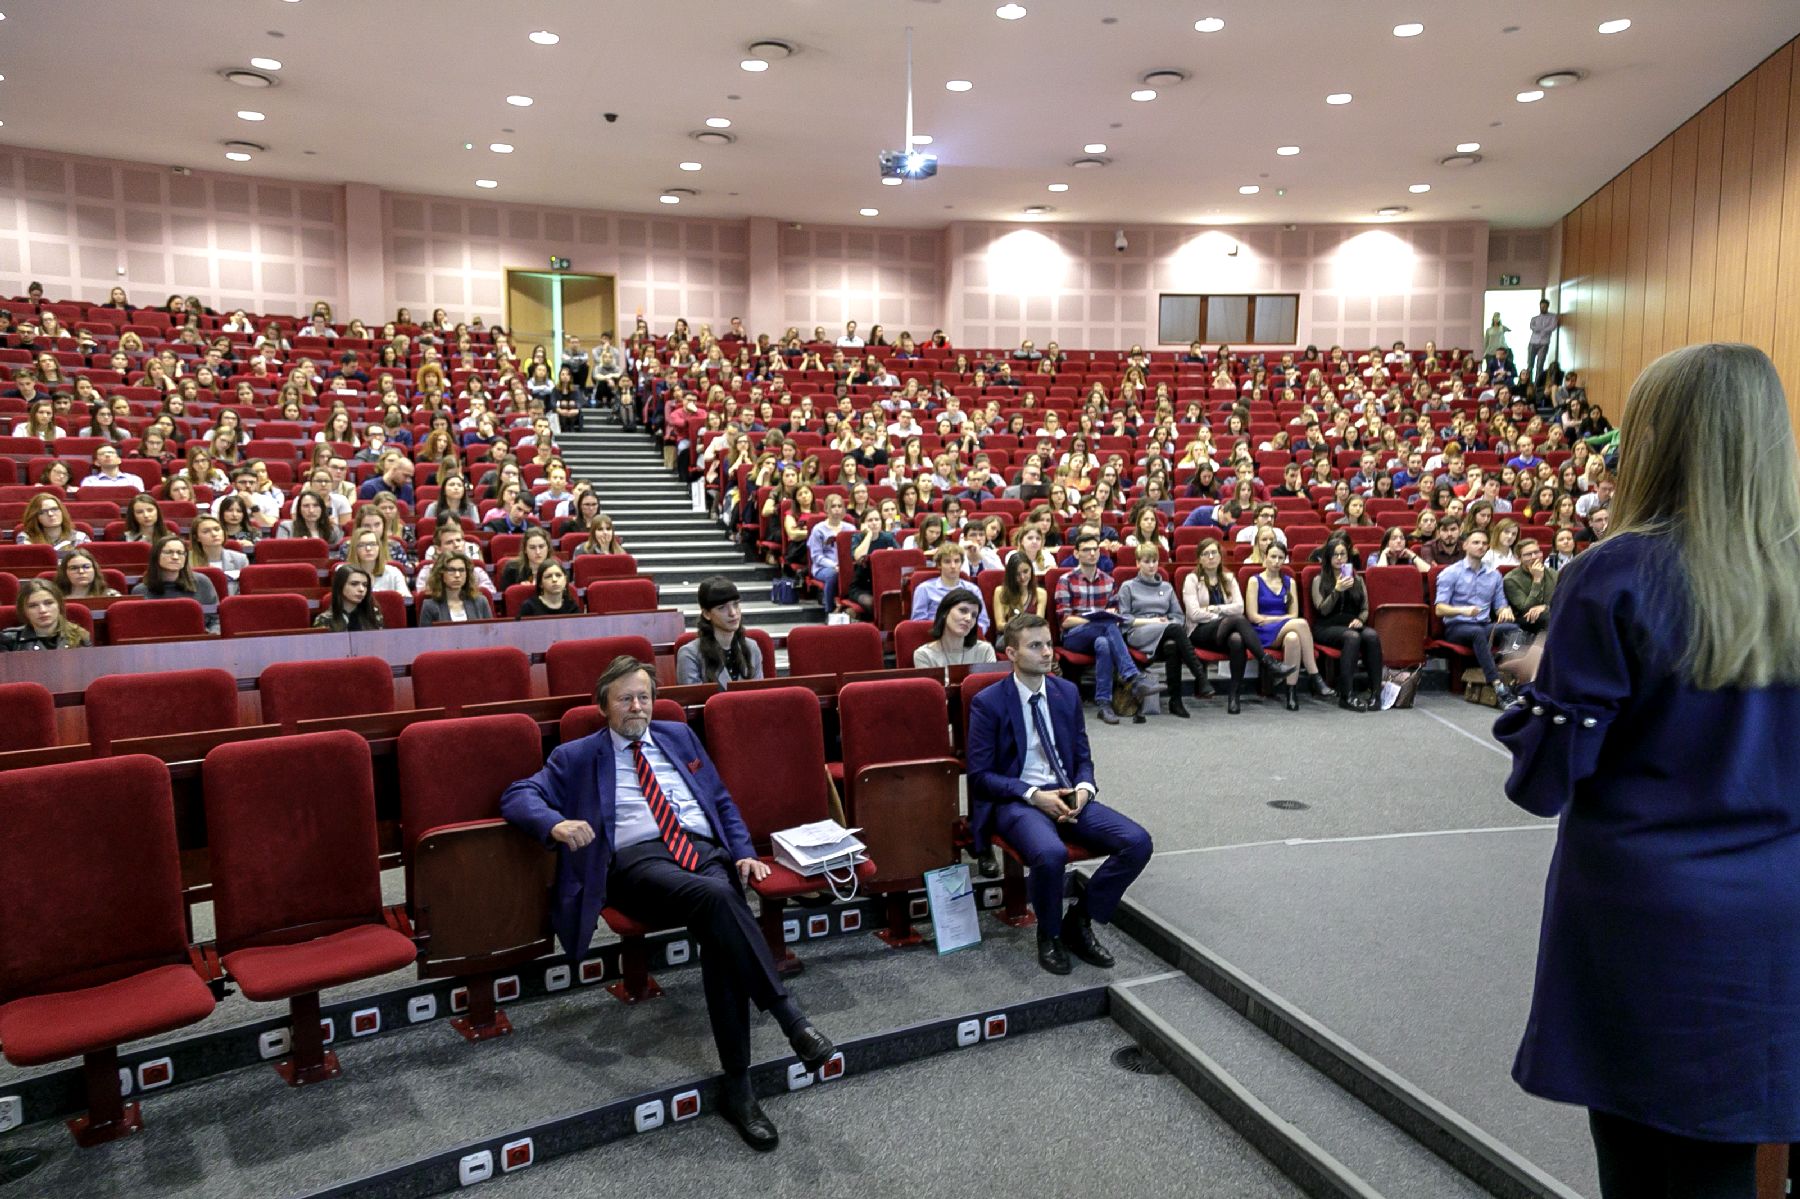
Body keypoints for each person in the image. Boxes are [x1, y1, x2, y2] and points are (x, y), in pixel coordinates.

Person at [1495, 343, 1800, 1199]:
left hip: (1650, 924)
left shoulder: (1614, 574)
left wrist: (1536, 683)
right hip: (1778, 914)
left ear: (1660, 439)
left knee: (1646, 1172)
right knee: (1729, 1160)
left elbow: (1544, 780)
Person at [500, 656, 835, 1150]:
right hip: (639, 863)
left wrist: (742, 853)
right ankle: (790, 1020)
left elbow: (719, 801)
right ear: (604, 707)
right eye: (626, 699)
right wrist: (556, 824)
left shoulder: (678, 736)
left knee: (720, 921)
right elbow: (517, 794)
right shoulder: (577, 755)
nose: (638, 707)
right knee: (719, 900)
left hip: (703, 852)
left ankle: (739, 1089)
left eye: (644, 697)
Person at [965, 615, 1154, 975]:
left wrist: (1084, 789)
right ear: (1011, 653)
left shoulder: (1065, 693)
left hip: (1068, 793)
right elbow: (980, 776)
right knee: (1050, 853)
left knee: (1137, 842)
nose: (1047, 652)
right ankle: (1049, 935)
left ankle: (1079, 920)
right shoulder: (989, 702)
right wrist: (1035, 795)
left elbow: (1082, 756)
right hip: (1019, 801)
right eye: (1035, 646)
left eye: (1049, 644)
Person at [1183, 538, 1295, 715]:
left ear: (1220, 556)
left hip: (1223, 632)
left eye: (1214, 553)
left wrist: (1214, 609)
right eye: (1206, 554)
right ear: (1200, 558)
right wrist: (1221, 616)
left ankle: (1234, 696)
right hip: (1200, 631)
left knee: (1237, 639)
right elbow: (1194, 614)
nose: (1211, 557)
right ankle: (1266, 661)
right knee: (1237, 620)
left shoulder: (1228, 578)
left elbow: (1239, 607)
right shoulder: (1192, 579)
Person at [1054, 530, 1154, 724]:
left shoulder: (1109, 581)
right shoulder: (1066, 580)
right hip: (1074, 637)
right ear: (1076, 554)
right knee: (1106, 625)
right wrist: (1096, 620)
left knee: (1103, 644)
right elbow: (1065, 621)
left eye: (1095, 549)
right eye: (1086, 550)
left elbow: (1115, 617)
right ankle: (1132, 676)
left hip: (1102, 634)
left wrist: (1103, 621)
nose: (1092, 553)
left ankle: (1104, 704)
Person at [1432, 529, 1520, 705]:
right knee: (1476, 633)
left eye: (1484, 543)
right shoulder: (1451, 573)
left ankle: (1513, 679)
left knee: (1514, 629)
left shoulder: (1493, 575)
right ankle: (1498, 687)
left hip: (1484, 625)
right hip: (1457, 627)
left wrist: (1504, 609)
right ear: (1465, 545)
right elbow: (1439, 609)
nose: (1481, 546)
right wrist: (1463, 610)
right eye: (1476, 542)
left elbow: (1500, 603)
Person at [1245, 541, 1334, 710]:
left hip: (1285, 628)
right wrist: (1281, 619)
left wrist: (1275, 619)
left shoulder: (1289, 582)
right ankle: (1314, 675)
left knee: (1293, 638)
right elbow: (1253, 616)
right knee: (1300, 623)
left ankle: (1291, 692)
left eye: (1280, 558)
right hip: (1262, 631)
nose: (1276, 561)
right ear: (1265, 557)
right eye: (1273, 557)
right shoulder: (1254, 581)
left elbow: (1293, 613)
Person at [1309, 539, 1384, 711]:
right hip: (1327, 626)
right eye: (1335, 555)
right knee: (1352, 637)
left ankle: (1375, 694)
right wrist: (1337, 590)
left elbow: (1365, 608)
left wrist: (1361, 620)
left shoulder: (1356, 579)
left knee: (1372, 636)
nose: (1339, 558)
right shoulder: (1319, 580)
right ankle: (1347, 695)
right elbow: (1323, 610)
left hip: (1351, 623)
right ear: (1328, 558)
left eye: (1343, 554)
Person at [676, 577, 764, 689]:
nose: (733, 613)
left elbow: (759, 697)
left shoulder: (751, 647)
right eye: (722, 607)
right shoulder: (690, 654)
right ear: (707, 614)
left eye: (736, 604)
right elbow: (694, 704)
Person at [132, 535, 220, 630]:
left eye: (180, 553)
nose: (175, 557)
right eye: (169, 552)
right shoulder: (140, 591)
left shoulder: (202, 582)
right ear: (156, 556)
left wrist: (212, 636)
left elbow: (215, 619)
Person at [910, 543, 989, 632]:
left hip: (967, 638)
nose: (953, 566)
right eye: (947, 561)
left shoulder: (973, 589)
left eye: (956, 561)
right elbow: (918, 623)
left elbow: (983, 621)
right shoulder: (924, 589)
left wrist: (970, 636)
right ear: (939, 565)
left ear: (961, 563)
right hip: (935, 638)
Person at [913, 588, 998, 668]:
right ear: (945, 613)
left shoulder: (985, 651)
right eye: (963, 611)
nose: (968, 618)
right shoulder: (924, 655)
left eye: (974, 615)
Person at [2, 579, 91, 651]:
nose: (42, 610)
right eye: (33, 606)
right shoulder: (8, 640)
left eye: (48, 603)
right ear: (24, 611)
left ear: (59, 605)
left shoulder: (80, 636)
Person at [416, 552, 493, 626]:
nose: (457, 575)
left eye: (461, 570)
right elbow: (426, 638)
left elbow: (490, 634)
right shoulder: (430, 606)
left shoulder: (481, 602)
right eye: (451, 570)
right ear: (441, 573)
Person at [804, 492, 850, 610]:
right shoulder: (818, 529)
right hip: (823, 568)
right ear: (826, 509)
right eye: (833, 506)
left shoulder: (850, 528)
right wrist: (834, 565)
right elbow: (817, 557)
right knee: (833, 575)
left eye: (839, 506)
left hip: (846, 566)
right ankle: (829, 609)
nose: (837, 510)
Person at [1503, 538, 1557, 636]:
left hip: (1548, 614)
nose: (1534, 557)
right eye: (1528, 554)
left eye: (1536, 552)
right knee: (1547, 616)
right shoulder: (1510, 579)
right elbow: (1526, 609)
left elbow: (1561, 600)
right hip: (1525, 620)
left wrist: (1545, 607)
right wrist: (1537, 580)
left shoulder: (1552, 573)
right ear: (1518, 558)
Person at [313, 565, 384, 631]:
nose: (361, 589)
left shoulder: (373, 614)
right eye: (354, 584)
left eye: (365, 585)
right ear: (340, 586)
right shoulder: (325, 620)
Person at [54, 548, 118, 601]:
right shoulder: (54, 598)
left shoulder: (111, 596)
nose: (81, 571)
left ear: (94, 570)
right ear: (64, 572)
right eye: (74, 568)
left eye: (86, 567)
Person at [1525, 298, 1557, 388]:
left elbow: (1552, 327)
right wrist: (1543, 329)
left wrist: (1541, 329)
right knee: (1530, 364)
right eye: (1541, 306)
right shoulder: (1535, 318)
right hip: (1533, 342)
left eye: (1544, 306)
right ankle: (1528, 383)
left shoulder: (1553, 317)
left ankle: (1537, 385)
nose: (1542, 308)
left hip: (1544, 343)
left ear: (1547, 307)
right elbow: (1532, 327)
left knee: (1540, 365)